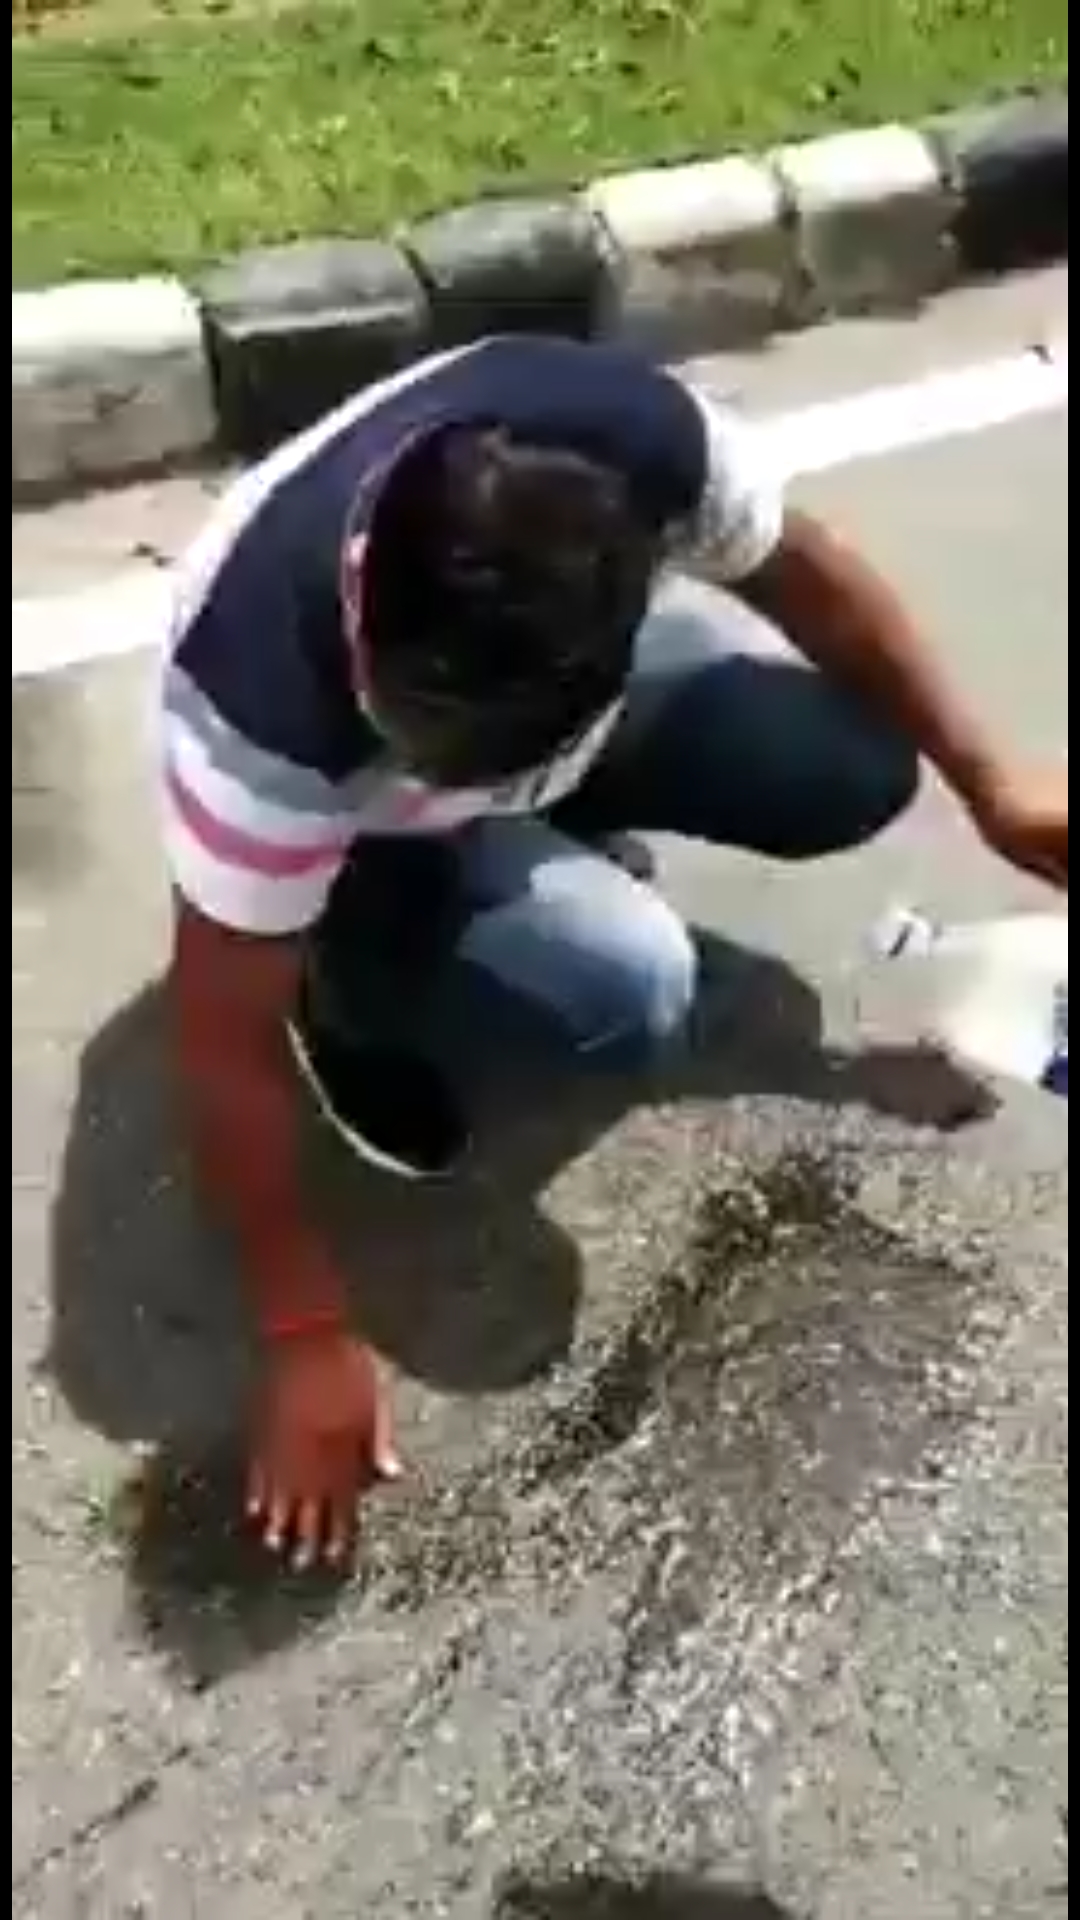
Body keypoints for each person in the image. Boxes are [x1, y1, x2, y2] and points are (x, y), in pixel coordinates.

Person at [164, 336, 1068, 1567]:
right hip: (371, 838)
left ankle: (540, 827)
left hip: (562, 704)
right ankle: (350, 993)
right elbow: (218, 1042)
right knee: (625, 990)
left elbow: (807, 573)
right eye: (451, 749)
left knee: (851, 769)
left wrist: (993, 785)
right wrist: (307, 1329)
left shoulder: (617, 438)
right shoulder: (261, 726)